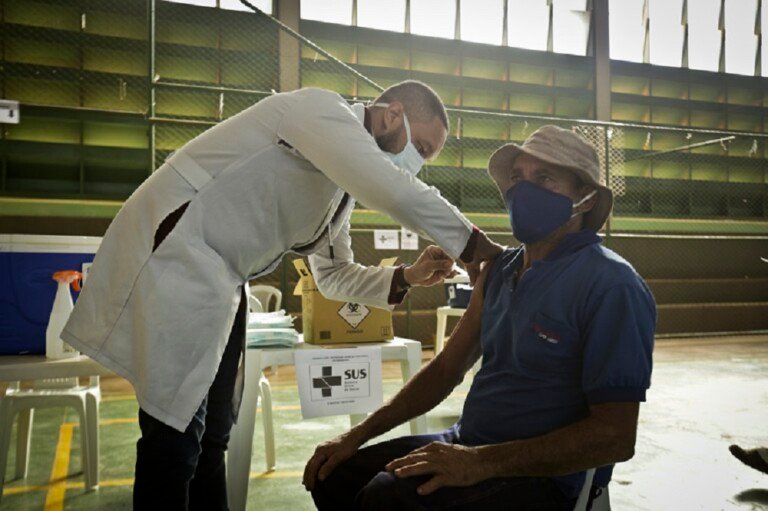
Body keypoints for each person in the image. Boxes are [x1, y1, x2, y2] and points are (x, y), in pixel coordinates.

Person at [60, 80, 502, 510]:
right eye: (420, 148)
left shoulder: (338, 190)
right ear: (392, 115)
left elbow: (333, 275)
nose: (417, 163)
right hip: (175, 256)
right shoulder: (317, 110)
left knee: (215, 434)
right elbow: (393, 189)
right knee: (174, 436)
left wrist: (407, 276)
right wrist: (478, 249)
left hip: (221, 279)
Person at [304, 125, 656, 510]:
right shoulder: (501, 269)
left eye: (544, 178)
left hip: (541, 476)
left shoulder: (611, 284)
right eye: (518, 177)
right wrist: (356, 436)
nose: (524, 189)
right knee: (332, 474)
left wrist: (481, 463)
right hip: (468, 443)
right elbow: (445, 370)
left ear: (585, 199)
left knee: (386, 501)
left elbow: (615, 436)